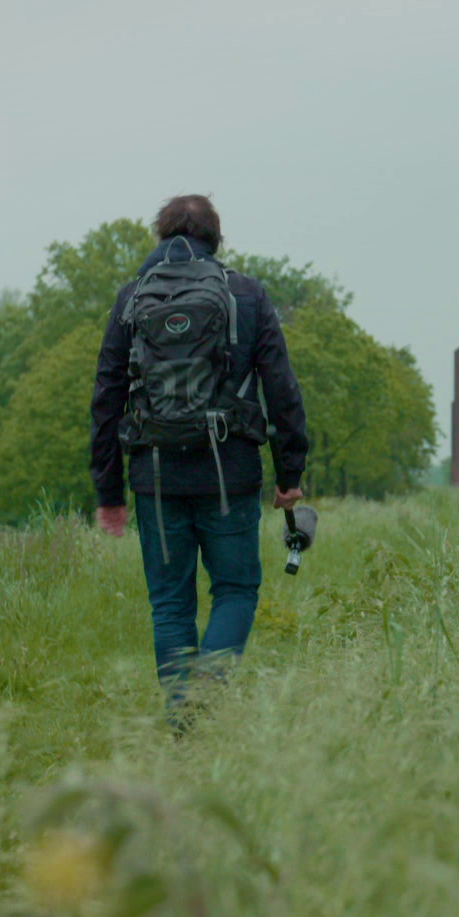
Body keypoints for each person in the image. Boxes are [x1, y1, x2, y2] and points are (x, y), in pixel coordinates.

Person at [90, 194, 308, 726]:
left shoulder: (131, 298)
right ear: (217, 240)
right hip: (229, 472)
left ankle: (182, 721)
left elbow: (106, 396)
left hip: (155, 477)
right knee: (235, 589)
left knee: (170, 605)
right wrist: (290, 474)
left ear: (159, 237)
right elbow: (281, 390)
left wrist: (109, 494)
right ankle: (206, 694)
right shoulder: (248, 297)